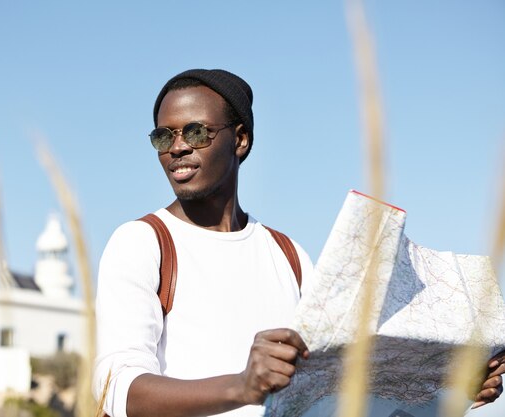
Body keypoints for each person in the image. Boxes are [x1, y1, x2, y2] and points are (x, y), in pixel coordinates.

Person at [94, 69, 504, 417]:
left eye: (196, 132)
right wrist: (242, 386)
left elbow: (336, 390)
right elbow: (117, 389)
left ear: (240, 140)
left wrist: (451, 390)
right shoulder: (142, 242)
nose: (178, 147)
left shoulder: (288, 255)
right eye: (164, 137)